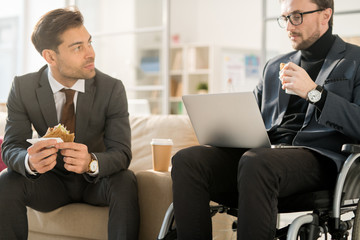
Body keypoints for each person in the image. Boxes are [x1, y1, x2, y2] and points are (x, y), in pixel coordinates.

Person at [171, 0, 360, 239]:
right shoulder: (274, 66)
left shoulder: (355, 60)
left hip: (321, 159)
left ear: (325, 15)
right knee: (188, 159)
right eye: (285, 18)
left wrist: (315, 93)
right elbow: (251, 116)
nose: (289, 26)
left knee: (258, 162)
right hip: (265, 159)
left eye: (297, 16)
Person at [0, 8, 139, 240]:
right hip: (49, 183)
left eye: (89, 43)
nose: (90, 53)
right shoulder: (23, 88)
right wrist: (29, 161)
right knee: (6, 181)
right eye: (78, 47)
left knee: (125, 180)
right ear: (50, 57)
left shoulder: (112, 89)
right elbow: (11, 147)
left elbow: (122, 152)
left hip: (95, 182)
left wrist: (92, 162)